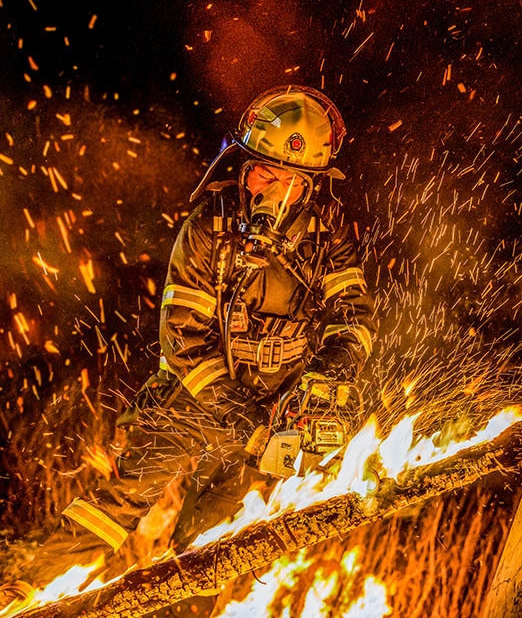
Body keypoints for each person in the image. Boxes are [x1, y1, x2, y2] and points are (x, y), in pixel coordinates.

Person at [10, 85, 377, 592]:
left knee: (212, 547)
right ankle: (16, 597)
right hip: (194, 397)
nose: (274, 190)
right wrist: (244, 421)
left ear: (312, 184)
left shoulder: (327, 231)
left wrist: (327, 375)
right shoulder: (209, 226)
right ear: (242, 167)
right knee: (117, 503)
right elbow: (183, 340)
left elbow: (353, 316)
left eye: (292, 179)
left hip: (273, 405)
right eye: (264, 172)